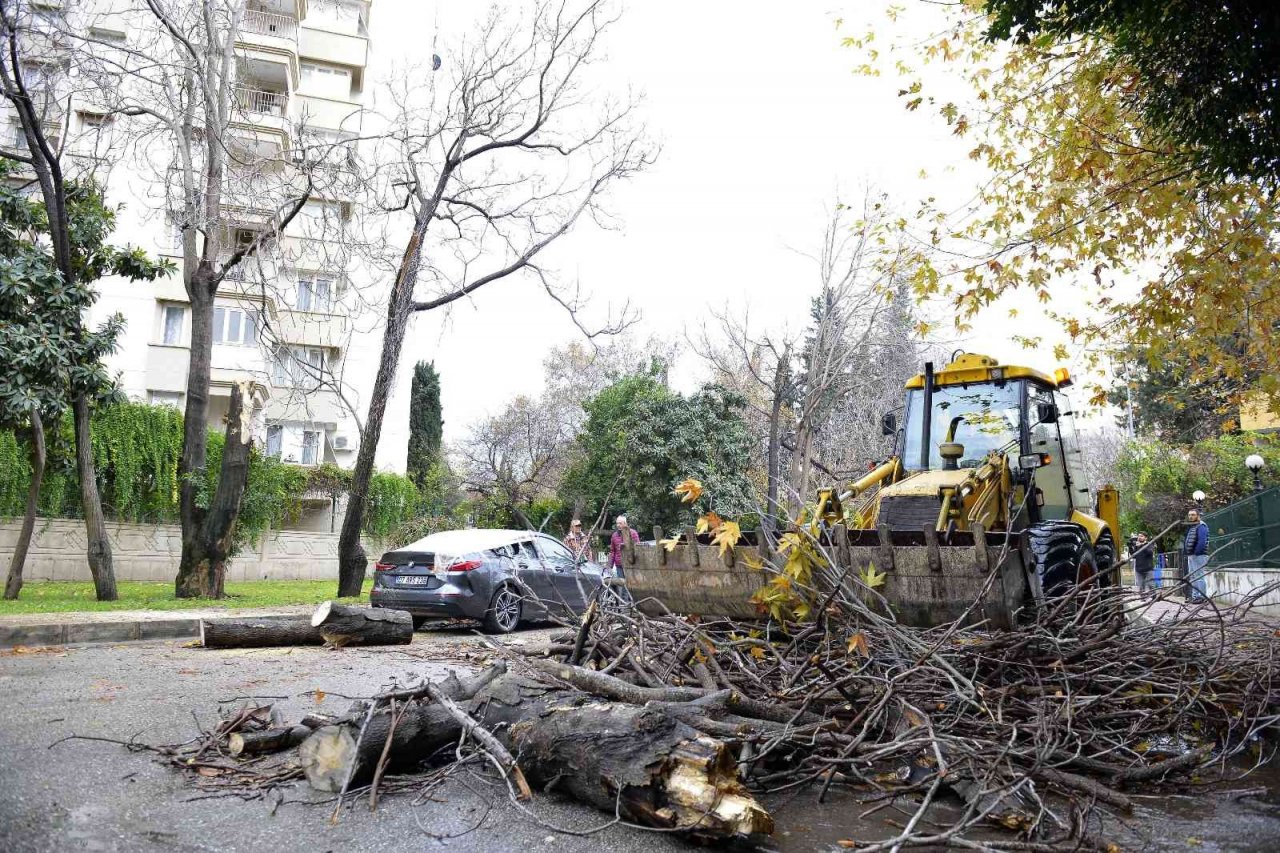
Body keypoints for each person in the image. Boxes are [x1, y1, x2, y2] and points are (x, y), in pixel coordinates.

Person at [1183, 508, 1210, 602]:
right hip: (1191, 555)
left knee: (1199, 576)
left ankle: (1201, 597)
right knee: (1193, 577)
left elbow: (1202, 541)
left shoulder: (1201, 526)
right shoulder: (1192, 526)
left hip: (1199, 555)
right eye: (1189, 515)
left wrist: (1196, 553)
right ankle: (1195, 597)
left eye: (1193, 515)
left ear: (1198, 516)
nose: (1191, 516)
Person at [1131, 531, 1156, 598]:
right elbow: (1133, 556)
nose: (1139, 537)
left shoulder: (1149, 544)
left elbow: (1150, 552)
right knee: (1141, 585)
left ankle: (1154, 596)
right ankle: (1143, 597)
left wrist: (1142, 545)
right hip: (1139, 569)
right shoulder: (1137, 545)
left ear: (1146, 538)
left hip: (1148, 568)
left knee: (1150, 584)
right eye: (1139, 536)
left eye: (1141, 536)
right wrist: (1131, 547)